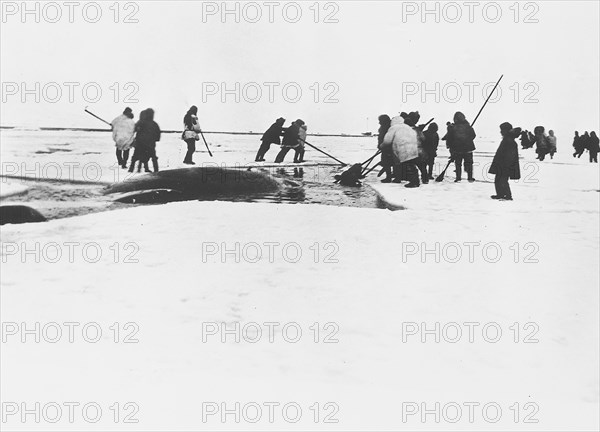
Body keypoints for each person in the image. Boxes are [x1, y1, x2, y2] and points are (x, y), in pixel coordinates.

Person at [381, 111, 424, 188]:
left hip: (402, 148)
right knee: (411, 164)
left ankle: (414, 182)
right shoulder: (408, 127)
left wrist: (382, 145)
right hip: (413, 148)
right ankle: (415, 181)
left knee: (407, 164)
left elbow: (387, 141)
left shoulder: (393, 128)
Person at [489, 122, 521, 201]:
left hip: (505, 165)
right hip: (502, 164)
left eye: (502, 130)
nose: (500, 132)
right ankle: (500, 194)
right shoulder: (507, 139)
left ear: (506, 130)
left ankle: (507, 195)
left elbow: (510, 155)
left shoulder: (509, 140)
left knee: (502, 180)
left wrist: (506, 165)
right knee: (498, 180)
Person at [129, 109, 161, 173]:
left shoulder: (141, 122)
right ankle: (156, 170)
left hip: (140, 143)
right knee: (153, 157)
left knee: (136, 157)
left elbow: (134, 129)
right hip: (150, 144)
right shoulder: (154, 124)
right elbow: (158, 134)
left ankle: (131, 169)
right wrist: (155, 139)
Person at [447, 111, 476, 182]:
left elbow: (450, 138)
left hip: (457, 149)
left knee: (458, 164)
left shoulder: (453, 127)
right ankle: (470, 177)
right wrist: (467, 140)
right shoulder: (468, 126)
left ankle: (458, 177)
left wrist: (452, 147)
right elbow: (473, 135)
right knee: (469, 163)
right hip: (468, 148)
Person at [376, 115, 393, 182]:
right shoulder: (388, 126)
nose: (379, 123)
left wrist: (381, 146)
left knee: (386, 162)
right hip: (386, 147)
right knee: (388, 162)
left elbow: (385, 138)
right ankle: (390, 176)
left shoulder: (386, 128)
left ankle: (388, 177)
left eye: (380, 121)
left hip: (386, 147)